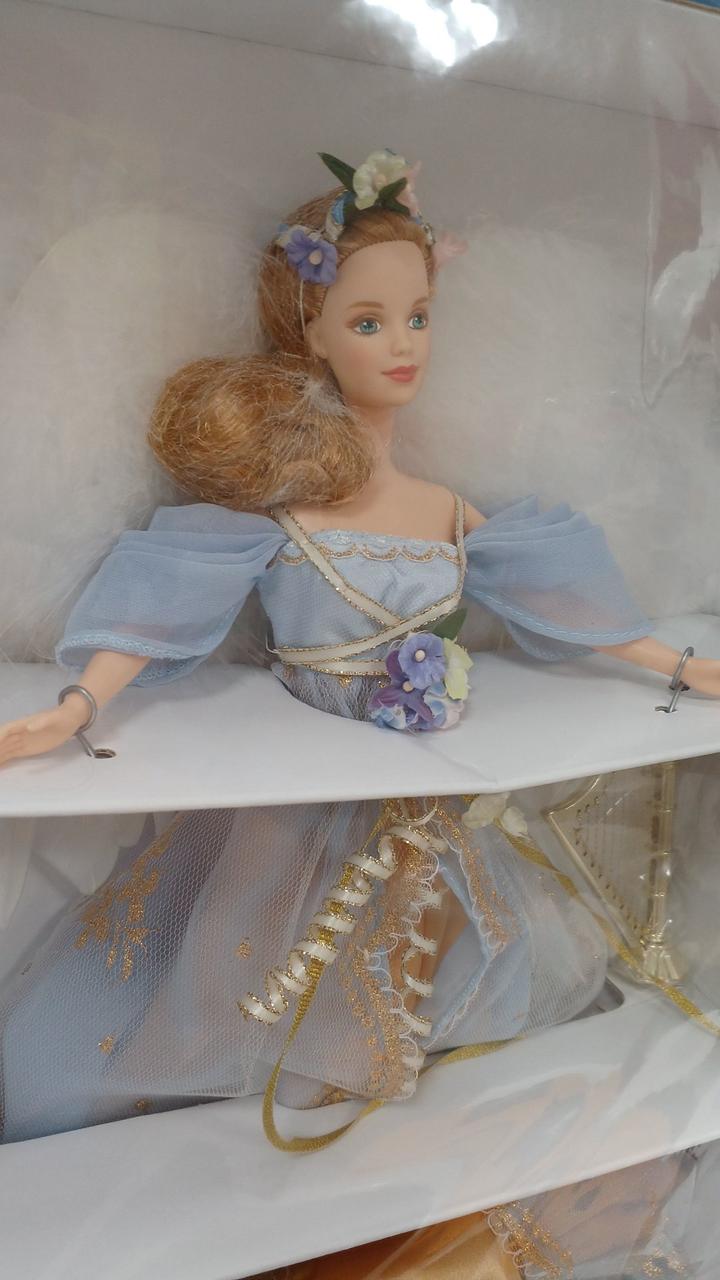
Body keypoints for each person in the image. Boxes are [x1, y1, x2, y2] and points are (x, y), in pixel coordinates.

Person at [1, 149, 719, 1147]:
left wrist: (678, 666)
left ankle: (321, 1131)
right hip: (293, 794)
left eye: (418, 317)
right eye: (369, 322)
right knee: (215, 984)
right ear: (312, 332)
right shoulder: (283, 506)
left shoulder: (444, 507)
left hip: (422, 792)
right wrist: (79, 706)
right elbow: (171, 593)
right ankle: (175, 1125)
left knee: (392, 994)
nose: (403, 346)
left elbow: (550, 587)